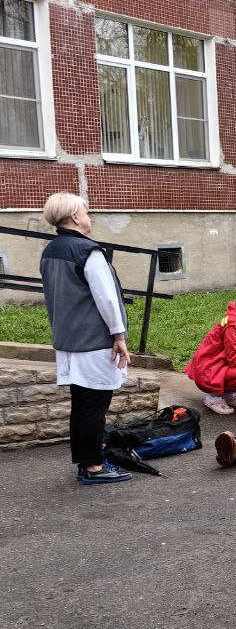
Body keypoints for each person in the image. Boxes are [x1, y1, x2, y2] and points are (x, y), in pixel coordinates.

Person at [39, 192, 131, 485]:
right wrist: (119, 336)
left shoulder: (50, 251)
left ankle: (86, 461)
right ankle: (93, 467)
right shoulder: (88, 252)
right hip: (92, 341)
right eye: (86, 212)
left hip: (67, 341)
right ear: (76, 217)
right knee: (94, 406)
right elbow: (106, 300)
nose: (89, 217)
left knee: (81, 405)